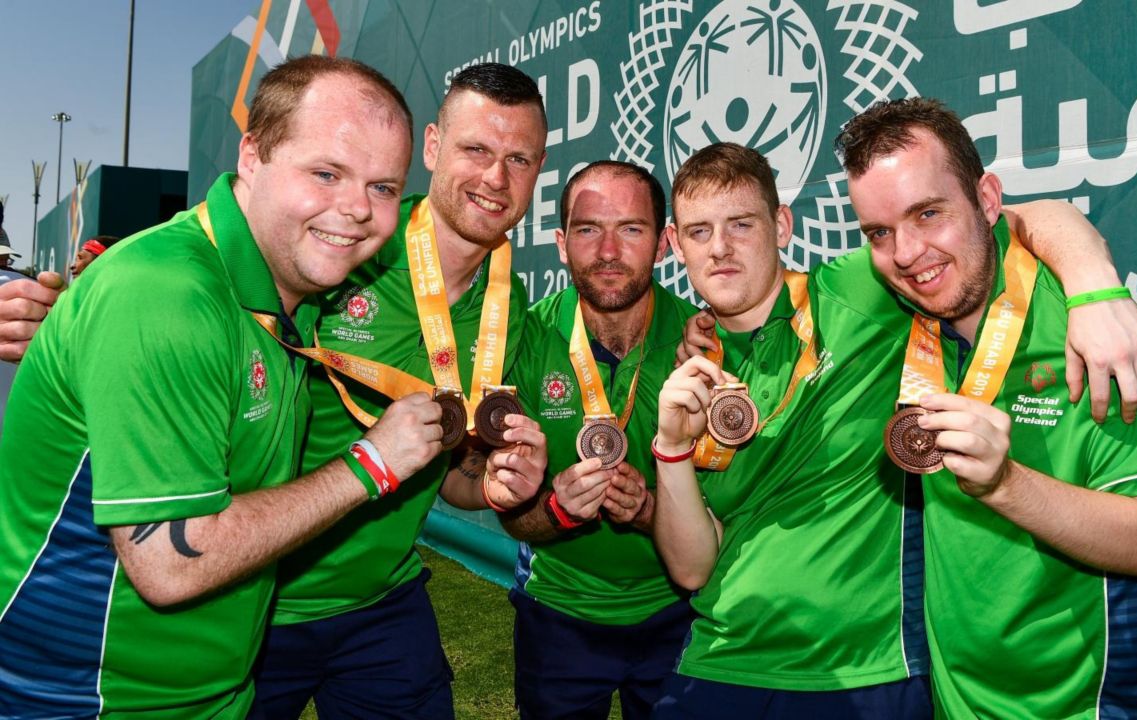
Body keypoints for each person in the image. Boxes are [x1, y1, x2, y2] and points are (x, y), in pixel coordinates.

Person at [0, 55, 534, 719]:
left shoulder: (302, 293)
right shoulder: (168, 294)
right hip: (92, 699)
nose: (356, 211)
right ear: (252, 154)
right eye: (325, 173)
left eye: (381, 188)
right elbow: (171, 564)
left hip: (230, 676)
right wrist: (373, 462)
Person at [651, 142, 1137, 718]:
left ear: (781, 226)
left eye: (741, 224)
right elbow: (693, 569)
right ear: (674, 244)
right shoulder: (693, 372)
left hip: (866, 673)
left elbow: (1021, 218)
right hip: (720, 659)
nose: (719, 249)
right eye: (699, 232)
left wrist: (1097, 287)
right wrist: (670, 448)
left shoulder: (861, 289)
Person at [838, 97, 1137, 718]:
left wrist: (1004, 483)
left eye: (929, 213)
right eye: (879, 232)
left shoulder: (1091, 328)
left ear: (985, 200)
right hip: (963, 699)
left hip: (1096, 697)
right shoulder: (891, 300)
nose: (905, 252)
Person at [250, 62, 550, 720]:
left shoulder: (512, 301)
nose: (495, 179)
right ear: (435, 147)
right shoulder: (347, 243)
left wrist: (500, 484)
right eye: (476, 150)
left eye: (519, 159)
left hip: (382, 604)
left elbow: (453, 473)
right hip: (259, 597)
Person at [499, 161, 698, 719]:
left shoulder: (703, 345)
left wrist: (652, 512)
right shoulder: (525, 343)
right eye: (588, 230)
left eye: (631, 229)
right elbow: (512, 516)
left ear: (663, 244)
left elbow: (733, 510)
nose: (608, 250)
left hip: (677, 611)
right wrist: (559, 510)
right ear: (561, 243)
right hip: (559, 611)